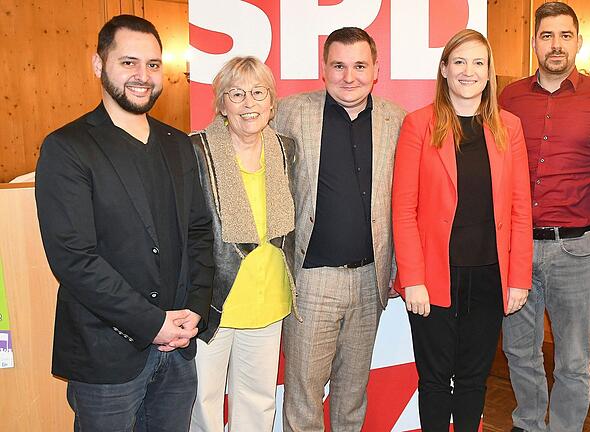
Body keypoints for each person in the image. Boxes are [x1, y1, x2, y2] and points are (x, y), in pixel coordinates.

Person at [34, 15, 213, 431]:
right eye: (128, 62)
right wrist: (154, 324)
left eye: (152, 65)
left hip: (178, 350)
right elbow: (74, 259)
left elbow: (200, 232)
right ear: (99, 65)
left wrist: (195, 309)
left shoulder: (177, 145)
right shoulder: (67, 148)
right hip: (106, 356)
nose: (142, 76)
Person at [497, 2, 590, 431]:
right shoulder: (508, 97)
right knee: (520, 349)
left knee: (574, 358)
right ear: (535, 42)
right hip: (516, 249)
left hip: (575, 250)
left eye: (565, 36)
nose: (556, 45)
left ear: (578, 42)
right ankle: (529, 423)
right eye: (547, 36)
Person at [392, 29, 533, 431]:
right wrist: (412, 279)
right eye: (459, 62)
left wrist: (518, 278)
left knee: (474, 380)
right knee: (435, 380)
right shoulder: (419, 125)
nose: (468, 71)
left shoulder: (510, 127)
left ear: (489, 74)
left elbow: (521, 209)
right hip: (434, 277)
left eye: (478, 63)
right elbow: (403, 208)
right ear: (444, 70)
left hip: (490, 276)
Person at [271, 27, 406, 431]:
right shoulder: (289, 112)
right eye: (339, 66)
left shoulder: (395, 119)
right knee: (304, 396)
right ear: (324, 68)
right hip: (311, 281)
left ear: (376, 69)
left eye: (360, 66)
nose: (350, 77)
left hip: (370, 280)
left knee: (352, 395)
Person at [188, 57, 295, 431]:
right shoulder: (195, 152)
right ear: (221, 104)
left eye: (257, 93)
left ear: (271, 102)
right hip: (213, 301)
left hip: (268, 299)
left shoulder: (286, 150)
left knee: (258, 402)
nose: (248, 103)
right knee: (203, 403)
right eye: (236, 94)